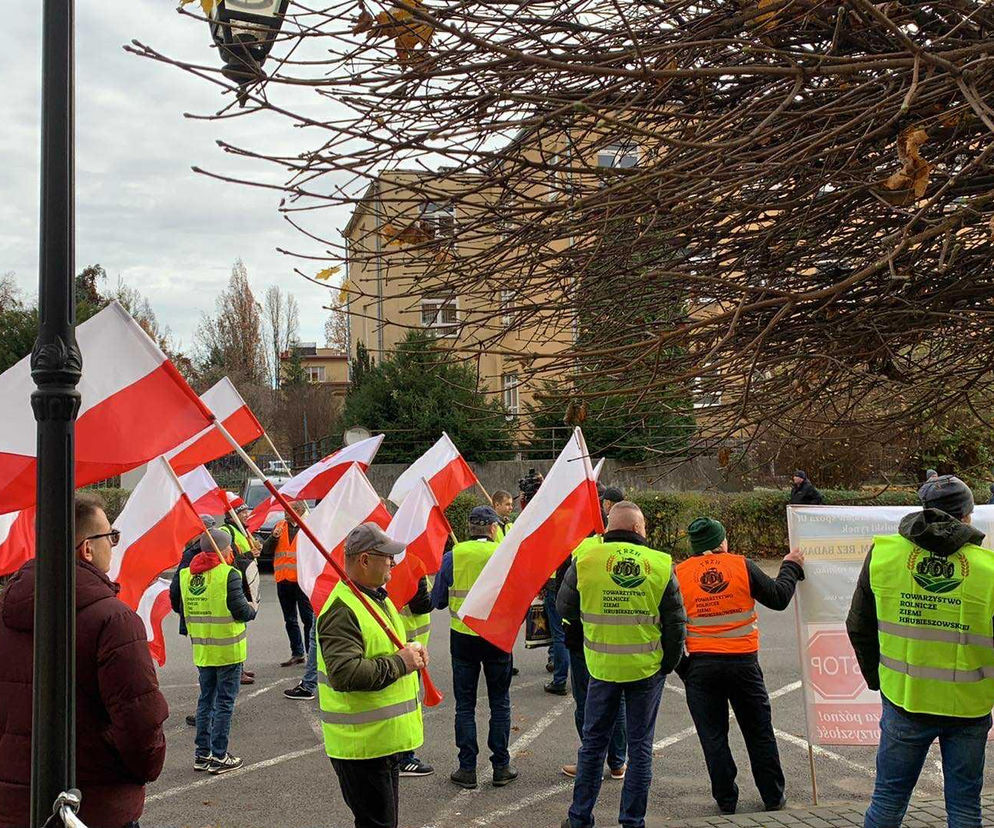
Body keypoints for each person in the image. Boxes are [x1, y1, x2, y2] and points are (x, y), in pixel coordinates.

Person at [0, 493, 168, 828]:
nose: (114, 545)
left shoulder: (5, 610)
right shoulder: (114, 620)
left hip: (15, 807)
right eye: (111, 536)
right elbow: (140, 725)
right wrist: (131, 772)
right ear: (88, 548)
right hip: (92, 806)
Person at [847, 474, 994, 828]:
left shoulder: (883, 554)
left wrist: (878, 679)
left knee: (887, 803)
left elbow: (859, 625)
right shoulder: (989, 569)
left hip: (905, 700)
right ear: (966, 516)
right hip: (969, 706)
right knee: (964, 809)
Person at [558, 501, 686, 828]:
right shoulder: (659, 564)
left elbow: (565, 609)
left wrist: (585, 649)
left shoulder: (585, 560)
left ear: (609, 527)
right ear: (636, 529)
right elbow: (675, 625)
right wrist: (666, 665)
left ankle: (579, 818)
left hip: (601, 669)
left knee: (593, 746)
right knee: (640, 748)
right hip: (646, 670)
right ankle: (632, 821)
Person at [675, 517, 805, 815]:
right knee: (759, 731)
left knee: (713, 736)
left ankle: (726, 800)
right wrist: (791, 567)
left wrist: (684, 668)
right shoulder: (740, 565)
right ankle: (772, 796)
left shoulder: (679, 574)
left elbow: (667, 627)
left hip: (701, 667)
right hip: (743, 664)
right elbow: (778, 597)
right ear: (721, 543)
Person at [317, 522, 426, 828]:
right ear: (365, 560)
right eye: (386, 556)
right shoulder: (343, 609)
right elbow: (345, 673)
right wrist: (401, 663)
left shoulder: (376, 597)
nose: (392, 561)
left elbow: (382, 647)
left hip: (380, 742)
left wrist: (410, 651)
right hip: (362, 747)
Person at [432, 505, 518, 790]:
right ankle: (501, 766)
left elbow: (439, 600)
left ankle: (467, 768)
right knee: (500, 703)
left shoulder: (453, 556)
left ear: (470, 528)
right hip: (497, 637)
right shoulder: (503, 555)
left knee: (465, 706)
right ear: (493, 528)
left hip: (464, 638)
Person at [178, 527, 257, 774]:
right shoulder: (228, 574)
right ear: (224, 550)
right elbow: (242, 611)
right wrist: (253, 608)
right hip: (228, 651)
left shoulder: (185, 576)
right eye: (230, 548)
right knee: (224, 703)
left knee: (205, 701)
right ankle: (220, 755)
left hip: (202, 649)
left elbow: (176, 605)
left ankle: (202, 754)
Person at [262, 500, 314, 668]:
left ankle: (310, 653)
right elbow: (267, 550)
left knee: (308, 619)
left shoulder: (309, 526)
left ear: (299, 511)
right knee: (290, 619)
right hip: (283, 579)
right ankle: (297, 653)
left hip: (302, 580)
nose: (284, 513)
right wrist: (273, 537)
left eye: (288, 510)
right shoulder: (280, 526)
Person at [396, 556, 436, 777]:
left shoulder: (398, 561)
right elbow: (421, 604)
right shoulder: (411, 564)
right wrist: (437, 592)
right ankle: (405, 758)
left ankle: (399, 755)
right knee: (406, 703)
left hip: (404, 643)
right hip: (409, 646)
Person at [221, 499, 260, 685]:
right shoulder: (226, 532)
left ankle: (240, 667)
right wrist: (250, 555)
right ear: (232, 515)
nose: (247, 514)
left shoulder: (243, 531)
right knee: (237, 630)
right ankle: (237, 670)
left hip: (245, 585)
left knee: (241, 630)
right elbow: (228, 560)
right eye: (242, 511)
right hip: (236, 585)